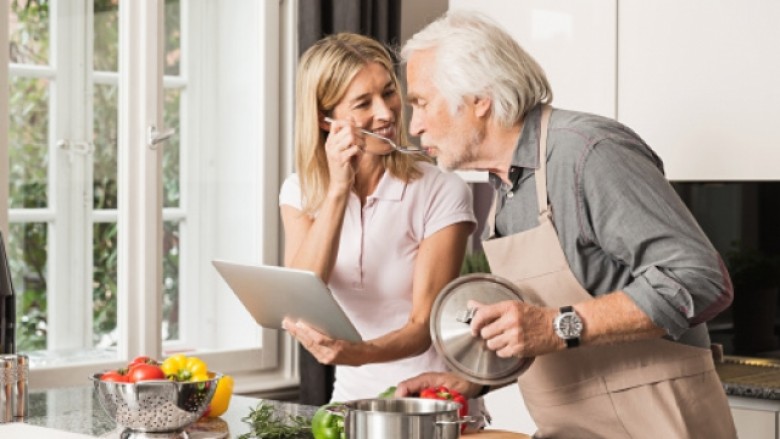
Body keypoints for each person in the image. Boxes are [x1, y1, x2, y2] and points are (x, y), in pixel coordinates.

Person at [395, 10, 737, 439]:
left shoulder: (588, 153)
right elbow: (539, 332)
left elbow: (701, 279)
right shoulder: (506, 185)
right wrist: (477, 380)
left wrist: (556, 326)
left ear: (479, 99)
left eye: (421, 103)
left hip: (660, 424)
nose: (414, 126)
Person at [278, 32, 481, 412]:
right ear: (327, 121)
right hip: (349, 403)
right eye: (363, 103)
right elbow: (303, 294)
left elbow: (423, 328)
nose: (386, 112)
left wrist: (354, 353)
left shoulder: (441, 190)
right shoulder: (300, 192)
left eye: (389, 92)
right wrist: (338, 192)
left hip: (430, 403)